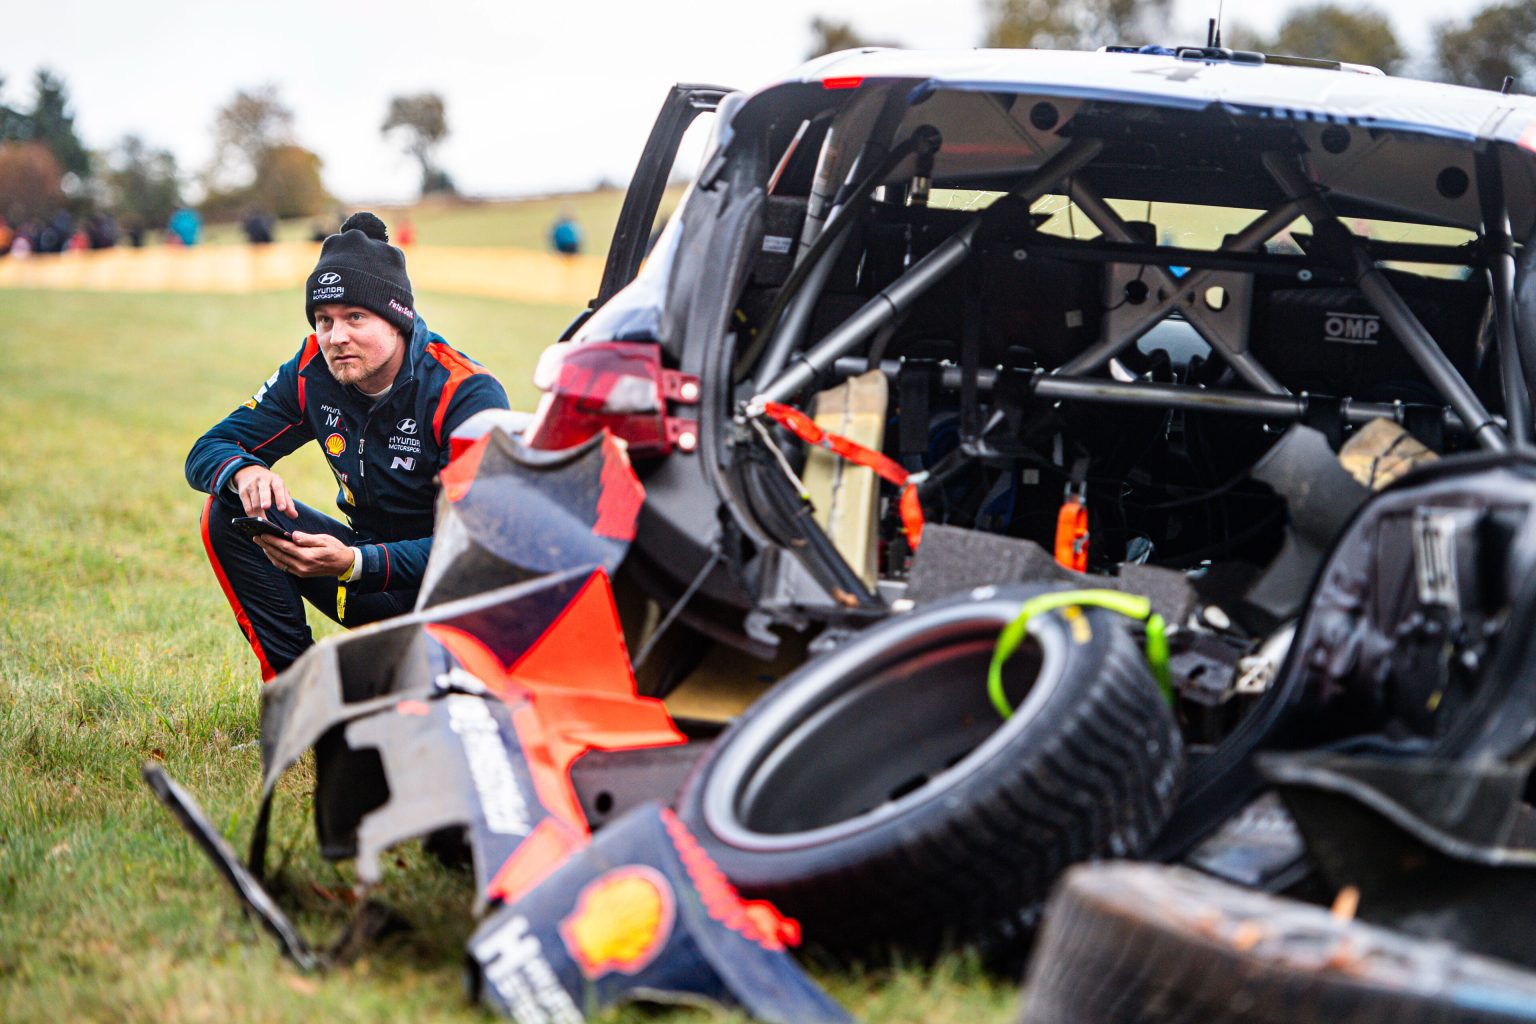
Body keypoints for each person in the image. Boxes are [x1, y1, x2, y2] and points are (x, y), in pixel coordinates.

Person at [185, 211, 510, 681]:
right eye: (324, 319)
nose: (336, 338)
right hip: (363, 573)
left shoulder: (465, 392)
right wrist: (243, 470)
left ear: (397, 319)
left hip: (456, 601)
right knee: (226, 507)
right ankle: (296, 691)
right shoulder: (313, 368)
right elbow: (210, 447)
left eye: (355, 317)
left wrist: (356, 562)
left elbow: (480, 547)